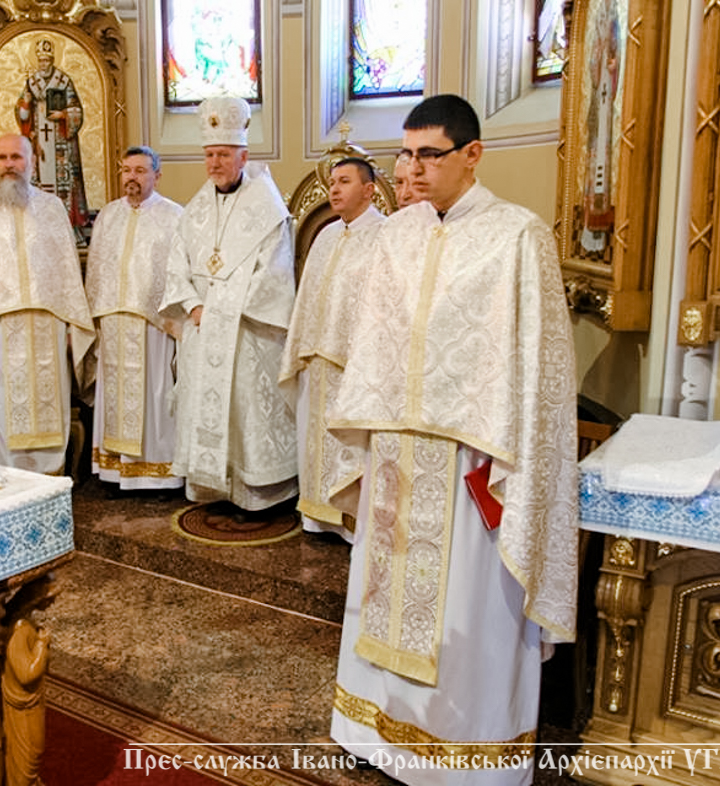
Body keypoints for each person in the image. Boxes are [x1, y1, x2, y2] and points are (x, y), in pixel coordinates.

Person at [326, 95, 578, 785]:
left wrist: (508, 449)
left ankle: (466, 759)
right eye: (405, 154)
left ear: (472, 155)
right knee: (384, 597)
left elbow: (541, 368)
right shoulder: (395, 236)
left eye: (428, 155)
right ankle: (374, 730)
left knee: (467, 609)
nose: (412, 169)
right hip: (397, 456)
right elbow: (372, 342)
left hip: (475, 459)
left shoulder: (518, 235)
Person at [160, 96, 297, 511]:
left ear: (243, 156)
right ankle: (212, 489)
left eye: (223, 154)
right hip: (202, 328)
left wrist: (223, 311)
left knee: (244, 410)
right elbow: (176, 267)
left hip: (246, 331)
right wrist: (193, 306)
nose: (214, 163)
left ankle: (254, 494)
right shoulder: (193, 212)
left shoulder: (268, 210)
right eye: (209, 155)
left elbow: (274, 276)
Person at [0, 133, 93, 475]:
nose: (9, 164)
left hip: (48, 326)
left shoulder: (52, 208)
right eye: (2, 157)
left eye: (17, 157)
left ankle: (49, 479)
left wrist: (73, 325)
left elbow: (67, 270)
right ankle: (6, 478)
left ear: (32, 162)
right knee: (1, 408)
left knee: (48, 406)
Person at [278, 157, 384, 543]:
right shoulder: (324, 235)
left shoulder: (384, 235)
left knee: (346, 443)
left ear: (369, 190)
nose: (334, 190)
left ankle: (347, 521)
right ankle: (316, 517)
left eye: (344, 182)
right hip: (316, 358)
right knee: (314, 441)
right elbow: (308, 296)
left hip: (353, 364)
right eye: (333, 182)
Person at [85, 146, 184, 490]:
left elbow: (179, 271)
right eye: (127, 170)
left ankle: (158, 475)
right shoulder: (108, 215)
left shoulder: (174, 216)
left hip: (153, 322)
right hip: (113, 320)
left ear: (157, 175)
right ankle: (114, 472)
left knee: (154, 394)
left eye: (140, 171)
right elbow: (97, 270)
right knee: (114, 396)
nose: (132, 177)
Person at [15, 36, 90, 244]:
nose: (44, 64)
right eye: (41, 61)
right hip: (40, 141)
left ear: (52, 60)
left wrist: (63, 115)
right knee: (40, 184)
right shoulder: (31, 82)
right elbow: (22, 114)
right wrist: (25, 104)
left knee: (66, 183)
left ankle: (69, 229)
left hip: (61, 143)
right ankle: (40, 228)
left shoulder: (63, 81)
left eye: (47, 60)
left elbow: (76, 110)